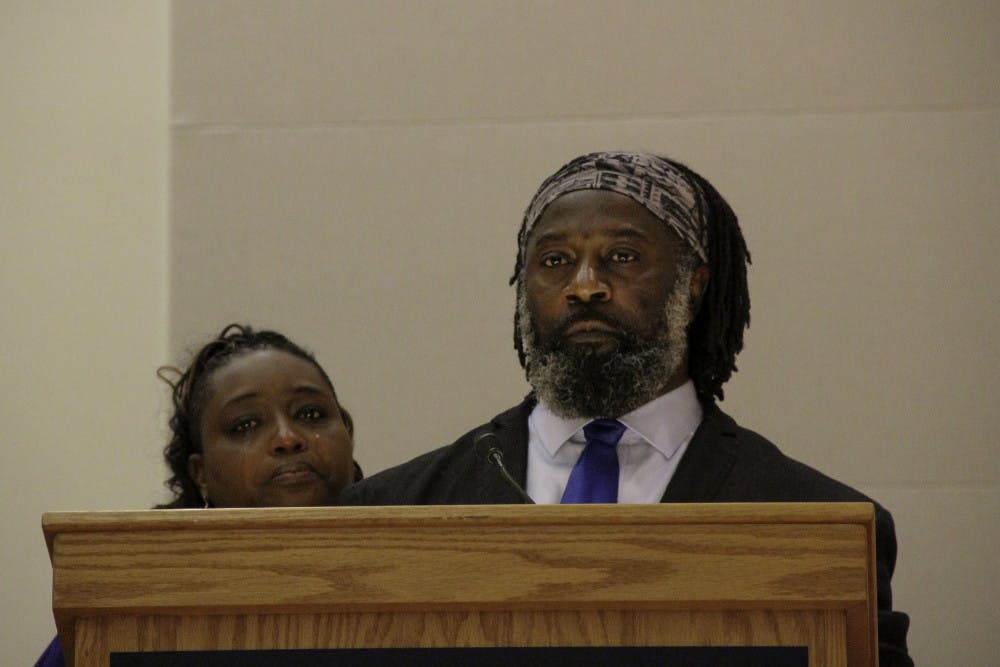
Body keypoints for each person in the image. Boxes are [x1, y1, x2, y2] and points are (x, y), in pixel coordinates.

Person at [340, 151, 913, 665]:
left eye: (621, 256)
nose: (585, 286)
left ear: (693, 284)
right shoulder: (391, 511)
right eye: (556, 261)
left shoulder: (821, 525)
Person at [36, 323, 361, 667]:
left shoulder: (421, 573)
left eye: (310, 414)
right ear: (201, 474)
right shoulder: (122, 613)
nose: (288, 437)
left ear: (347, 435)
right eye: (246, 424)